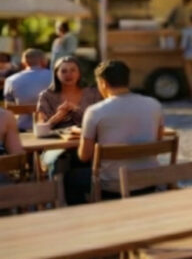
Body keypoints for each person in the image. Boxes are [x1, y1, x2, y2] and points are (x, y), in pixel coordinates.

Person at [64, 60, 163, 205]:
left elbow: (84, 156)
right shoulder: (154, 104)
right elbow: (157, 141)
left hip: (112, 186)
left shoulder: (95, 111)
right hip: (150, 181)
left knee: (71, 178)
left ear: (103, 83)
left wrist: (88, 137)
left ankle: (86, 218)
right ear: (127, 80)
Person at [36, 56, 103, 130]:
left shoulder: (93, 93)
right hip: (55, 139)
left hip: (88, 137)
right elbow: (41, 127)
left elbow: (100, 121)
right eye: (64, 71)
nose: (68, 74)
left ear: (79, 73)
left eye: (73, 70)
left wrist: (75, 110)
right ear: (56, 74)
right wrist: (59, 115)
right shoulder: (46, 96)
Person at [3, 48, 52, 131]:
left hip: (22, 128)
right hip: (51, 126)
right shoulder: (55, 76)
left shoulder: (11, 80)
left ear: (24, 62)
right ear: (44, 61)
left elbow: (9, 106)